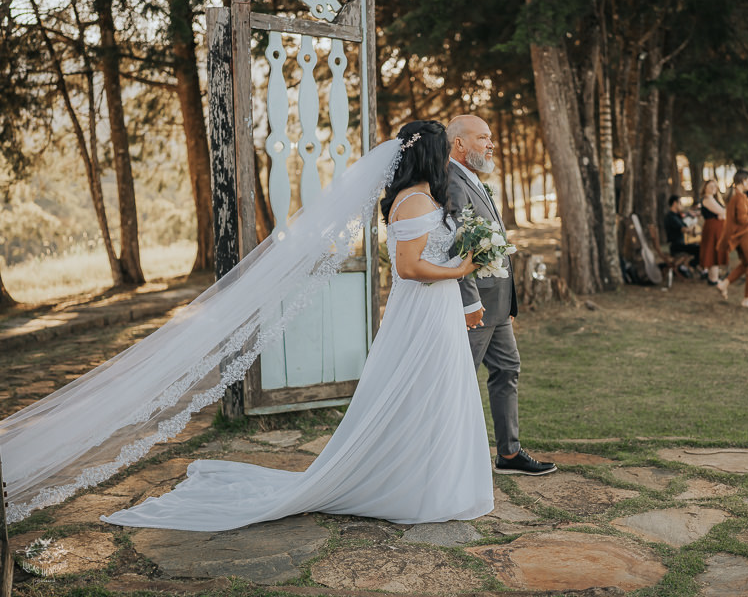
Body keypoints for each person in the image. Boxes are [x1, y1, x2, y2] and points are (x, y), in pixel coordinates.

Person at [101, 121, 496, 530]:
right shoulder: (413, 201)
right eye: (443, 150)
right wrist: (460, 269)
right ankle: (413, 484)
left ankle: (431, 478)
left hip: (437, 308)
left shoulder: (422, 197)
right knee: (422, 390)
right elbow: (409, 267)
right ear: (430, 154)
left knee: (436, 390)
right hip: (422, 313)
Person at [445, 114, 557, 476]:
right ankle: (448, 458)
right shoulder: (452, 182)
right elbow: (458, 247)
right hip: (475, 306)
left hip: (497, 304)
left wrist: (509, 302)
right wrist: (470, 303)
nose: (491, 144)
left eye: (490, 137)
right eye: (482, 138)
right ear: (459, 143)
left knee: (507, 369)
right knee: (459, 381)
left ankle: (509, 453)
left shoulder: (474, 178)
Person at [716, 169, 748, 310]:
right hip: (745, 235)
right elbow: (742, 220)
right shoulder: (739, 198)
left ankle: (724, 284)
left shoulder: (738, 197)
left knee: (747, 263)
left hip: (743, 235)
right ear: (743, 181)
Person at [698, 179, 727, 285]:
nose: (713, 188)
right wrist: (722, 214)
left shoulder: (713, 199)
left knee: (715, 252)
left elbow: (723, 214)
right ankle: (713, 279)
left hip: (716, 228)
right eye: (710, 186)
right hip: (712, 229)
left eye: (715, 186)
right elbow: (722, 212)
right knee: (713, 253)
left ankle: (713, 277)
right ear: (705, 188)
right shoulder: (707, 199)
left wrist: (722, 215)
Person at [664, 195, 700, 278]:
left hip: (680, 244)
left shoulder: (677, 216)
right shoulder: (671, 217)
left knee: (698, 246)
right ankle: (690, 265)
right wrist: (693, 226)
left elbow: (686, 228)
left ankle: (689, 267)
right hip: (676, 246)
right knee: (699, 249)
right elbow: (684, 229)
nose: (681, 205)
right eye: (680, 203)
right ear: (675, 203)